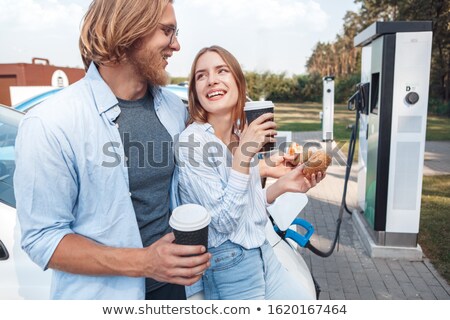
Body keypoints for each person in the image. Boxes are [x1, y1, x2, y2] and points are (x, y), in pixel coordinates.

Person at [13, 0, 211, 300]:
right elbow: (42, 239)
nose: (177, 45)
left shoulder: (173, 108)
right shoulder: (51, 122)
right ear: (127, 30)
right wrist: (146, 263)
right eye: (167, 32)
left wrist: (259, 167)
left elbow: (201, 176)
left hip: (177, 291)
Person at [176, 45, 324, 300]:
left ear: (237, 81)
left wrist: (285, 184)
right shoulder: (192, 142)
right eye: (201, 75)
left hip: (262, 250)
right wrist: (245, 154)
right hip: (230, 266)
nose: (212, 80)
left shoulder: (237, 135)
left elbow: (246, 204)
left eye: (221, 71)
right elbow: (223, 222)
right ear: (195, 91)